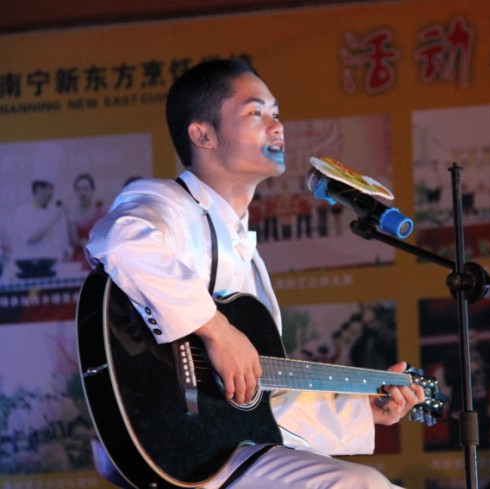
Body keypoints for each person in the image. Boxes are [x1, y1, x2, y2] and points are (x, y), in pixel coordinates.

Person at [85, 57, 425, 489]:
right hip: (172, 443)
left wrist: (360, 412)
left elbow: (258, 406)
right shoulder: (168, 202)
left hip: (220, 450)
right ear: (203, 135)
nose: (277, 126)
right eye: (255, 112)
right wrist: (217, 332)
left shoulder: (249, 259)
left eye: (277, 113)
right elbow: (118, 242)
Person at [68, 173, 104, 270]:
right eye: (78, 189)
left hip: (97, 259)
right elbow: (72, 242)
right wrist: (80, 242)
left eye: (85, 189)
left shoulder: (102, 213)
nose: (82, 193)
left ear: (92, 190)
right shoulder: (72, 214)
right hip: (78, 260)